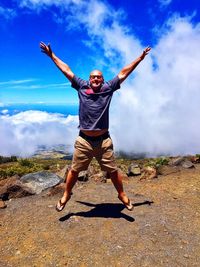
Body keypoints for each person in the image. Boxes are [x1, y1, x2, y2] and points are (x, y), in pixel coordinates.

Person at [40, 41, 151, 212]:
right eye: (93, 77)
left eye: (99, 76)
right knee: (74, 170)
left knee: (113, 171)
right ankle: (67, 194)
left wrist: (140, 58)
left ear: (103, 79)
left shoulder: (108, 88)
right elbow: (66, 70)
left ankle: (121, 194)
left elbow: (123, 72)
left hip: (103, 141)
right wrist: (51, 55)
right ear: (89, 79)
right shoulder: (81, 86)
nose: (96, 79)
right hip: (83, 141)